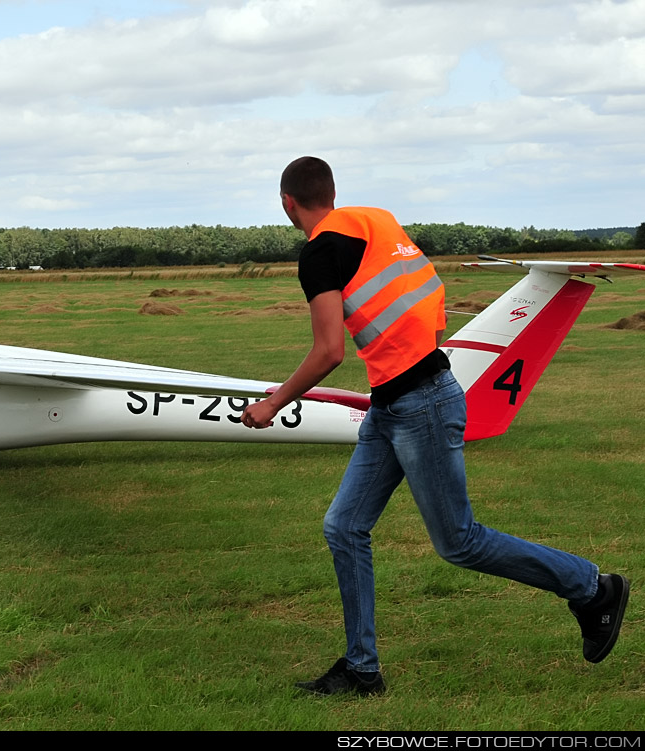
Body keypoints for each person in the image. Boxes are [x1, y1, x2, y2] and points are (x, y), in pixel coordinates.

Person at [241, 156, 629, 696]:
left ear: (287, 203)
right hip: (397, 399)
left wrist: (274, 403)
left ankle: (591, 587)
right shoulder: (376, 220)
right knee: (344, 527)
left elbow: (329, 351)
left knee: (459, 542)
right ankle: (362, 669)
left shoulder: (320, 252)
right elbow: (429, 298)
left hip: (418, 403)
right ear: (332, 191)